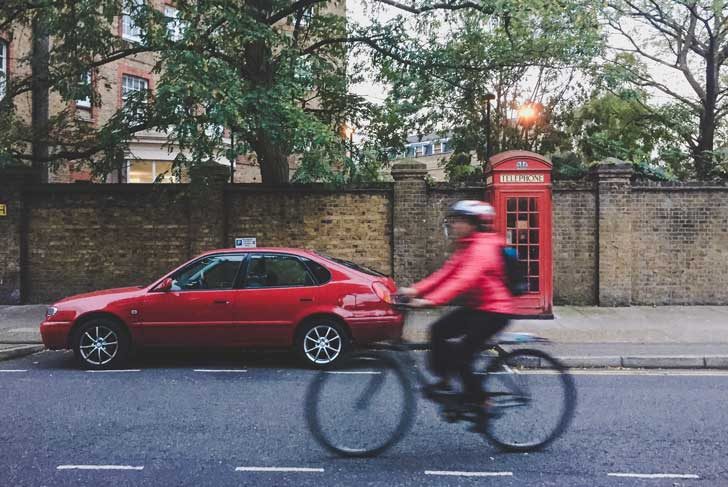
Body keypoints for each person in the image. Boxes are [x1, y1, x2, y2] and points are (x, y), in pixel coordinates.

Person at [399, 200, 514, 406]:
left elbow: (462, 281)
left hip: (495, 312)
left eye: (459, 220)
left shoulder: (482, 248)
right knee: (438, 329)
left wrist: (429, 301)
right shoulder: (467, 246)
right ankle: (445, 380)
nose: (454, 225)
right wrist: (414, 290)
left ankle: (481, 401)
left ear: (473, 223)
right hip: (478, 307)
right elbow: (445, 274)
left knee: (462, 354)